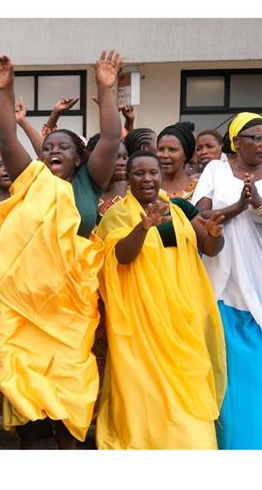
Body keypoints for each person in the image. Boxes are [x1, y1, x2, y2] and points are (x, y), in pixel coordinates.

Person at [0, 51, 122, 449]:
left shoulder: (90, 184)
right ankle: (35, 444)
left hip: (72, 305)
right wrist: (5, 92)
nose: (53, 150)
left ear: (80, 157)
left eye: (63, 146)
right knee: (18, 373)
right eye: (47, 146)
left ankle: (67, 444)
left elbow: (110, 138)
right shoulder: (32, 179)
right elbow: (7, 139)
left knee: (70, 380)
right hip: (23, 302)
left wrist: (105, 89)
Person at [95, 150, 226, 449]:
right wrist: (143, 228)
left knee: (188, 383)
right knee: (146, 389)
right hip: (141, 323)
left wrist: (216, 235)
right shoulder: (117, 215)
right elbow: (121, 258)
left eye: (152, 172)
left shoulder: (179, 208)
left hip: (182, 317)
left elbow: (209, 246)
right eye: (139, 173)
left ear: (160, 175)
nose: (147, 179)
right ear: (128, 178)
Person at [193, 112, 262, 449]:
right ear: (236, 142)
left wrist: (259, 207)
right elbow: (201, 215)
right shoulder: (215, 170)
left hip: (258, 285)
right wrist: (239, 205)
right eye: (256, 138)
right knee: (223, 371)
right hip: (218, 282)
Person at [157, 121, 199, 199]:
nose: (165, 155)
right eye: (161, 149)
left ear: (186, 155)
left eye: (172, 150)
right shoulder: (146, 186)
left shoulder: (199, 189)